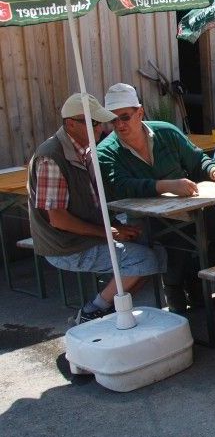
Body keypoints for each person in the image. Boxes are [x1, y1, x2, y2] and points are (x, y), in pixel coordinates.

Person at [96, 83, 215, 313]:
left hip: (189, 205)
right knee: (176, 243)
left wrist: (214, 171)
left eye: (124, 117)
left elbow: (197, 159)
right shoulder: (106, 151)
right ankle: (175, 289)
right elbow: (122, 186)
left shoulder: (166, 132)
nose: (119, 125)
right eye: (112, 120)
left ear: (140, 112)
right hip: (148, 216)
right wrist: (165, 186)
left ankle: (194, 277)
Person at [27, 93, 167, 324]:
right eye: (93, 123)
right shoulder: (50, 158)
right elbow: (58, 219)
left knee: (156, 251)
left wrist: (115, 227)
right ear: (71, 124)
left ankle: (108, 313)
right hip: (64, 245)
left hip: (86, 235)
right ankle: (93, 310)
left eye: (101, 122)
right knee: (143, 260)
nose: (101, 128)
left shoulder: (87, 150)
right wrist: (109, 233)